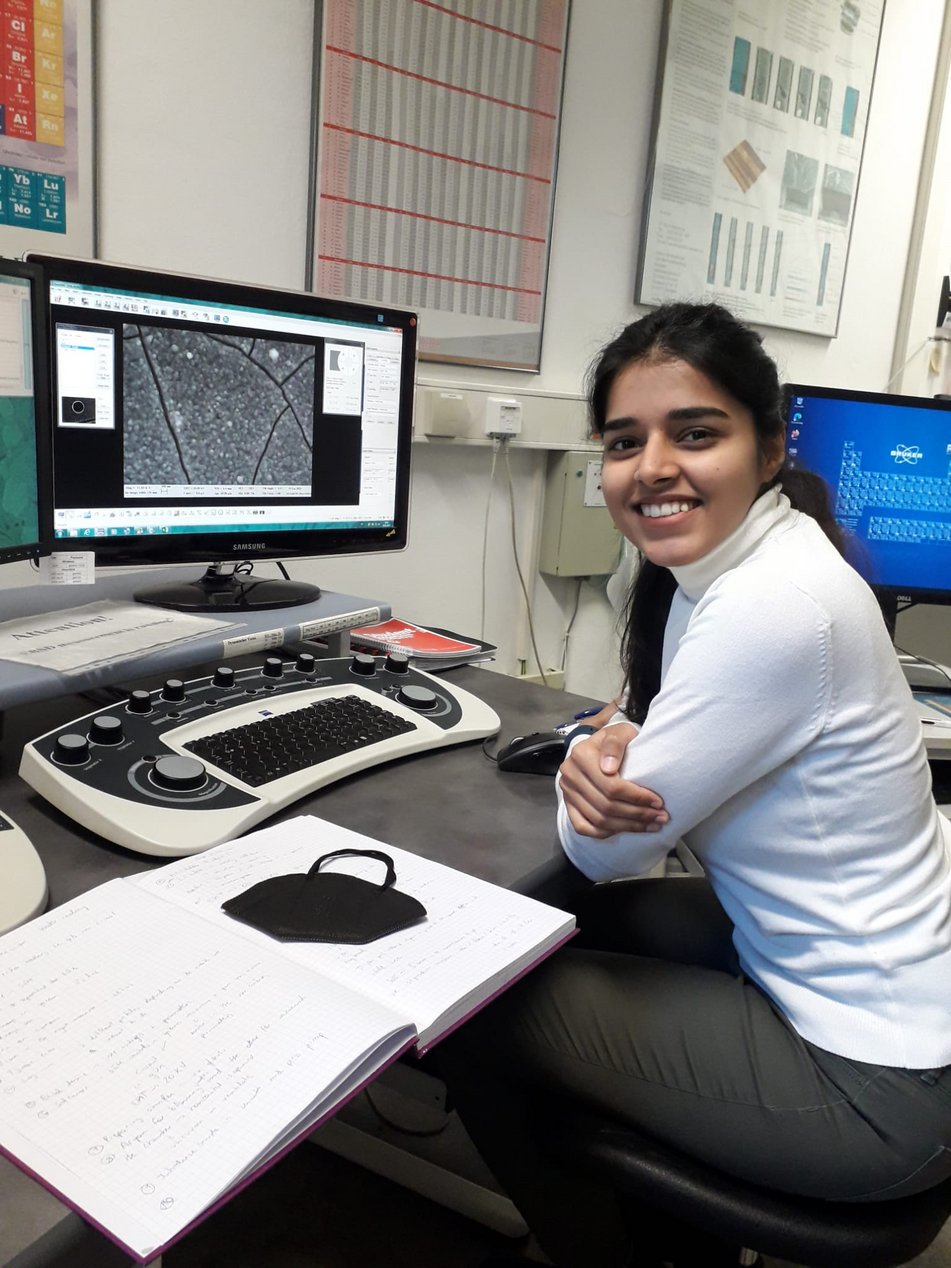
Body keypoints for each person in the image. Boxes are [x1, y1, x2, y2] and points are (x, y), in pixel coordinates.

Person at [436, 302, 951, 1268]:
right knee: (552, 935)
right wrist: (614, 744)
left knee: (467, 1002)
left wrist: (590, 772)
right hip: (879, 996)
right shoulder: (754, 564)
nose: (653, 466)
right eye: (625, 442)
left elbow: (606, 843)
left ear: (766, 449)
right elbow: (643, 728)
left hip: (878, 1087)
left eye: (696, 432)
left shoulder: (771, 607)